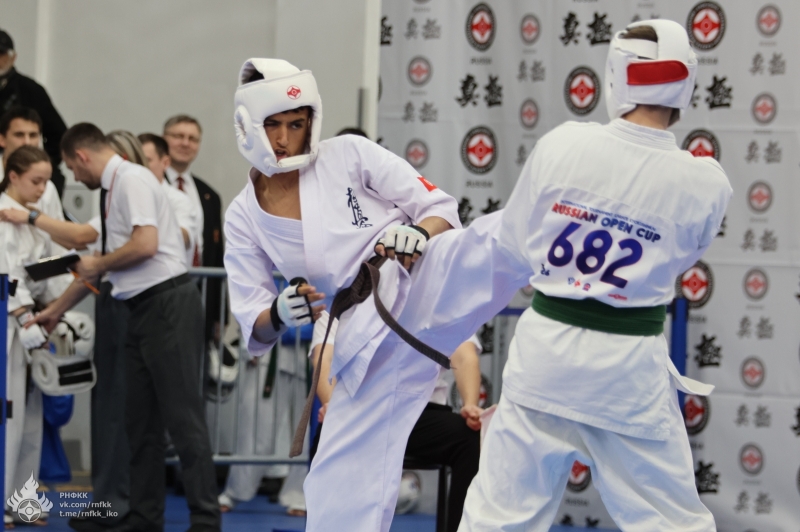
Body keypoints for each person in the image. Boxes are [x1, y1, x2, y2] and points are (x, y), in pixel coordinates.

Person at [224, 58, 528, 532]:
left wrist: (418, 233)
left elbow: (438, 207)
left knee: (493, 243)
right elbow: (255, 325)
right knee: (334, 488)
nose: (284, 139)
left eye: (296, 124)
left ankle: (568, 216)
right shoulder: (242, 216)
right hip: (359, 335)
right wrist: (279, 314)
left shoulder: (348, 153)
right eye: (273, 125)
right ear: (247, 126)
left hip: (418, 277)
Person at [459, 21, 732, 531]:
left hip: (546, 356)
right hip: (627, 371)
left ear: (617, 75)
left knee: (499, 516)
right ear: (685, 85)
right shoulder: (704, 181)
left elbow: (515, 243)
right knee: (669, 522)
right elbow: (681, 257)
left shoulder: (564, 145)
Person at [30, 123, 220, 532]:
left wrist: (96, 263)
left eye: (72, 168)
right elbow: (97, 264)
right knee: (140, 423)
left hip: (167, 304)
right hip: (138, 307)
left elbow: (144, 246)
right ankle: (145, 519)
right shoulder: (113, 188)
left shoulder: (132, 179)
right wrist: (56, 310)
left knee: (183, 421)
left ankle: (206, 522)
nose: (74, 176)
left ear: (82, 156)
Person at [308, 312, 484, 531]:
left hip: (420, 411)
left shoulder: (442, 295)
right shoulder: (344, 297)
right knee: (327, 436)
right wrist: (332, 405)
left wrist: (470, 404)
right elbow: (324, 358)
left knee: (470, 437)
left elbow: (465, 355)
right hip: (360, 410)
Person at [0, 146, 71, 528]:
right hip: (9, 326)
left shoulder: (32, 218)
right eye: (36, 181)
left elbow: (42, 271)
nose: (43, 189)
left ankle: (22, 499)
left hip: (33, 325)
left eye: (46, 181)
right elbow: (6, 275)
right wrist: (25, 317)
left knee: (30, 418)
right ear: (13, 176)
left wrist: (58, 309)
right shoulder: (1, 214)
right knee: (7, 416)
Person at [162, 115, 224, 341]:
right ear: (163, 140)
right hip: (160, 292)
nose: (185, 143)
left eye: (192, 139)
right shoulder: (150, 185)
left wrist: (219, 314)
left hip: (200, 296)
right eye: (178, 136)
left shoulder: (209, 195)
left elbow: (216, 256)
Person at [0, 30, 68, 197]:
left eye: (1, 54)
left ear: (13, 57)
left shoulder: (30, 90)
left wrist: (39, 162)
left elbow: (59, 135)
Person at [0, 107, 66, 239]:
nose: (27, 142)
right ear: (2, 139)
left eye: (33, 135)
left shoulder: (48, 188)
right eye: (19, 135)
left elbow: (58, 238)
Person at [138, 133, 200, 263]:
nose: (139, 166)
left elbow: (183, 237)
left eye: (146, 160)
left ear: (165, 162)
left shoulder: (179, 200)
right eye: (135, 160)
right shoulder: (124, 195)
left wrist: (138, 236)